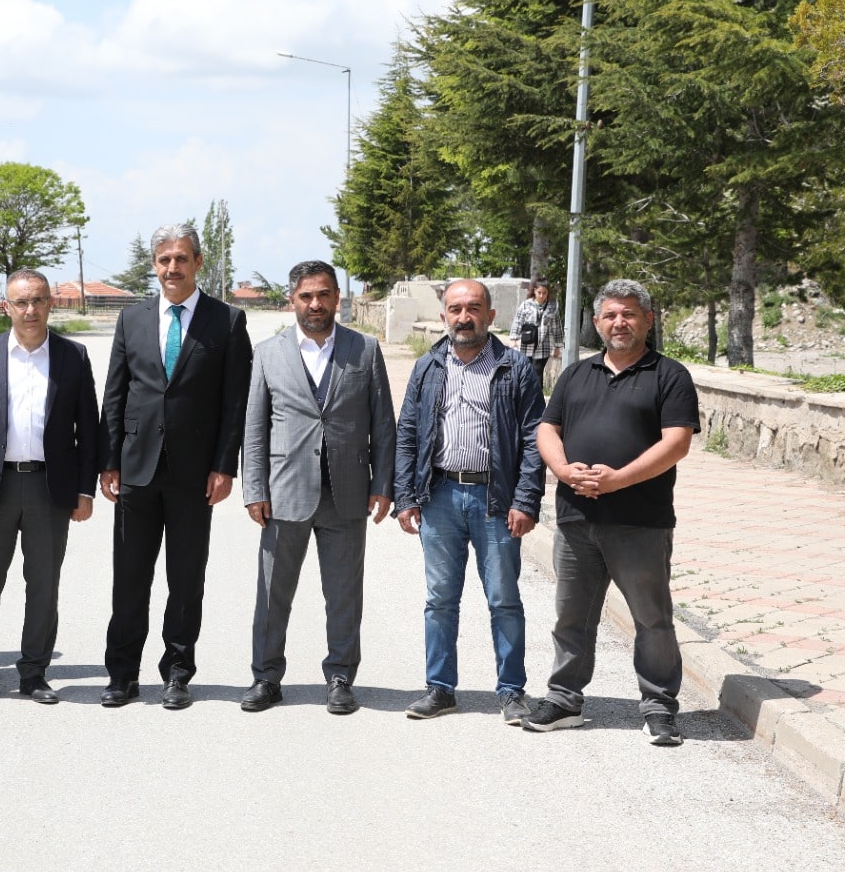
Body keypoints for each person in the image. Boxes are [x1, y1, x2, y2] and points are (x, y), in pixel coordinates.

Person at [522, 278, 700, 746]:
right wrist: (562, 469)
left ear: (648, 320)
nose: (619, 322)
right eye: (611, 315)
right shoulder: (576, 374)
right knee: (572, 616)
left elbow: (676, 442)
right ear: (597, 322)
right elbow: (547, 429)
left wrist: (617, 479)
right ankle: (564, 700)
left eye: (629, 314)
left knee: (652, 617)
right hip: (577, 518)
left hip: (640, 520)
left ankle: (659, 706)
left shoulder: (670, 375)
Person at [99, 222, 253, 709]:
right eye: (164, 259)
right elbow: (116, 394)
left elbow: (236, 403)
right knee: (129, 579)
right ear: (154, 264)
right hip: (136, 471)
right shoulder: (132, 319)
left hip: (194, 475)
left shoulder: (226, 321)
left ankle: (177, 672)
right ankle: (122, 674)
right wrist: (109, 462)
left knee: (186, 580)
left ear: (198, 263)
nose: (172, 268)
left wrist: (224, 466)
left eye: (181, 259)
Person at [239, 261, 394, 714]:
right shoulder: (269, 353)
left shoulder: (364, 349)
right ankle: (266, 677)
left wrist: (382, 483)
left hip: (346, 491)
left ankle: (341, 677)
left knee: (344, 591)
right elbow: (255, 427)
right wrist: (255, 488)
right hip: (285, 492)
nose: (315, 304)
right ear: (293, 300)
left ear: (337, 298)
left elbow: (383, 424)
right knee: (272, 592)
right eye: (306, 296)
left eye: (324, 294)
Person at [394, 278, 545, 724]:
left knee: (503, 599)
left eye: (473, 308)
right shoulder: (427, 367)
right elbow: (407, 433)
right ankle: (440, 688)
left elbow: (534, 438)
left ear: (490, 316)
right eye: (456, 309)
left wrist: (526, 499)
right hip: (438, 494)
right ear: (444, 316)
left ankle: (512, 691)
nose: (464, 317)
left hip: (495, 500)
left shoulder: (514, 368)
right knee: (440, 599)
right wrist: (406, 495)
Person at [0, 271, 99, 706]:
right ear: (6, 307)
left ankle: (34, 673)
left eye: (37, 301)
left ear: (51, 303)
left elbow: (88, 428)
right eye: (21, 302)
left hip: (49, 489)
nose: (30, 310)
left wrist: (84, 490)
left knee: (44, 584)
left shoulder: (73, 356)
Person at [510, 277, 563, 387]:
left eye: (544, 293)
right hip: (527, 344)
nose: (541, 296)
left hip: (543, 346)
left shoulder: (552, 307)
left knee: (537, 373)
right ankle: (523, 398)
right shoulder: (525, 305)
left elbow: (556, 327)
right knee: (525, 372)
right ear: (534, 291)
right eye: (539, 292)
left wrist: (558, 346)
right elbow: (517, 321)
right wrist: (514, 339)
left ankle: (537, 400)